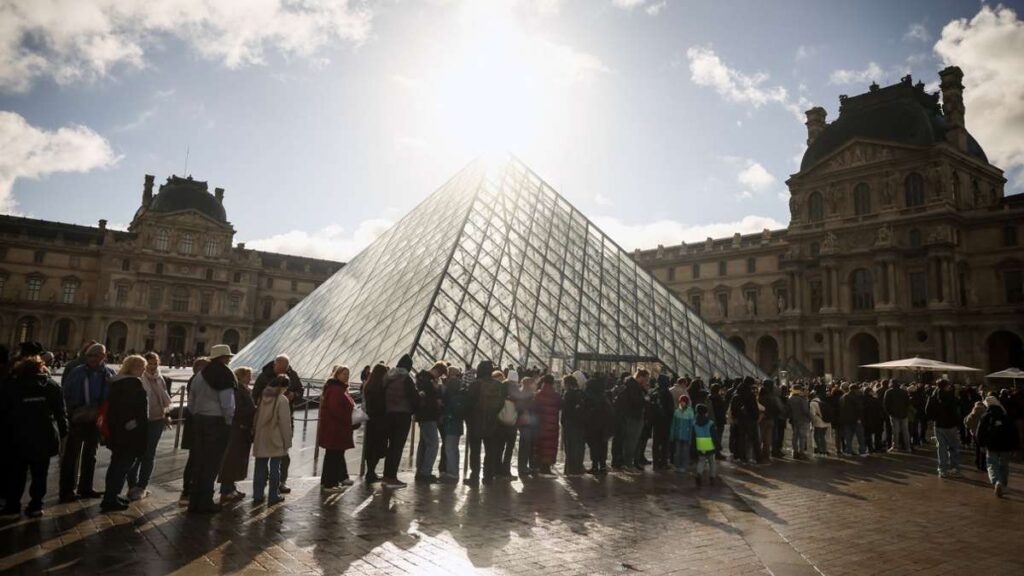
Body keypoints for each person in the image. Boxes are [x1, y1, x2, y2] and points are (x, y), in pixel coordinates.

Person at [1, 355, 67, 517]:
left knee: (16, 473)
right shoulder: (50, 386)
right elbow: (60, 413)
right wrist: (63, 434)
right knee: (40, 473)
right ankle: (36, 505)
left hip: (16, 436)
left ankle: (13, 505)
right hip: (44, 436)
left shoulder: (11, 386)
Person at [59, 343, 114, 503]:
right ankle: (67, 490)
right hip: (78, 417)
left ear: (103, 356)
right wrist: (70, 413)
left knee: (91, 455)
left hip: (97, 419)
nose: (92, 359)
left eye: (96, 355)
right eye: (89, 355)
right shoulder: (77, 372)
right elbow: (66, 393)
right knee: (71, 455)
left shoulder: (109, 373)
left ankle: (86, 487)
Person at [187, 345, 236, 513]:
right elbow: (227, 404)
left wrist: (197, 414)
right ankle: (206, 501)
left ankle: (194, 500)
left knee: (199, 462)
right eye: (228, 357)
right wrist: (229, 422)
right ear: (223, 358)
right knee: (212, 463)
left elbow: (191, 400)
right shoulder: (224, 374)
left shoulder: (199, 375)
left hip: (199, 420)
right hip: (216, 422)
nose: (229, 360)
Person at [100, 355, 149, 512]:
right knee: (123, 466)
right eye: (142, 367)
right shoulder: (133, 385)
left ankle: (111, 495)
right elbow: (137, 412)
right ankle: (110, 499)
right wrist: (135, 425)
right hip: (130, 434)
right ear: (134, 368)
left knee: (116, 464)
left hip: (116, 432)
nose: (143, 371)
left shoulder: (117, 383)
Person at [253, 355, 304, 493]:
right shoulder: (264, 376)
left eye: (285, 369)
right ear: (275, 365)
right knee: (268, 457)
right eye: (280, 369)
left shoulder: (292, 375)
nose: (282, 372)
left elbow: (300, 391)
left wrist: (294, 396)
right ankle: (266, 485)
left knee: (282, 456)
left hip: (284, 416)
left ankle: (281, 481)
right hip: (268, 422)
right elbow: (255, 395)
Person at [126, 352, 171, 501]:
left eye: (155, 363)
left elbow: (163, 398)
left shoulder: (160, 378)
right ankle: (132, 486)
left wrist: (165, 415)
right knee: (136, 454)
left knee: (149, 454)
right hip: (141, 421)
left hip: (157, 419)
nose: (153, 366)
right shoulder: (139, 377)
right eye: (150, 363)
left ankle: (142, 486)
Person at [218, 366, 256, 502]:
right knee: (232, 460)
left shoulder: (243, 389)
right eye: (248, 375)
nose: (250, 378)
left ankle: (231, 488)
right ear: (241, 376)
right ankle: (225, 490)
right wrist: (253, 410)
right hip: (238, 428)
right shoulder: (238, 390)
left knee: (236, 460)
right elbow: (237, 409)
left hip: (243, 429)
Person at [253, 375, 293, 505]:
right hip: (276, 438)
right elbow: (285, 423)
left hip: (261, 436)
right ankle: (273, 495)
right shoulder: (282, 400)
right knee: (275, 468)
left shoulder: (263, 397)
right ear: (283, 387)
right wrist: (287, 441)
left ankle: (258, 494)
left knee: (260, 467)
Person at [381, 354, 419, 488]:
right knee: (397, 447)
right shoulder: (406, 379)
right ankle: (392, 478)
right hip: (402, 416)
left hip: (389, 415)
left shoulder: (388, 378)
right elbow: (414, 399)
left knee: (391, 447)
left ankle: (386, 476)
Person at [464, 360, 504, 486]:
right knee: (490, 451)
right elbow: (501, 404)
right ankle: (488, 477)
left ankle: (474, 477)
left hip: (475, 422)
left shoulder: (475, 385)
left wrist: (468, 417)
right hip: (492, 423)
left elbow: (468, 403)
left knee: (475, 452)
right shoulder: (498, 385)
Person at [318, 366, 356, 491]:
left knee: (332, 456)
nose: (346, 376)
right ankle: (330, 484)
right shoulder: (336, 390)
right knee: (334, 456)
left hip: (335, 428)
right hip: (336, 429)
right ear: (337, 375)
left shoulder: (336, 388)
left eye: (348, 374)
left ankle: (328, 482)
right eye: (344, 374)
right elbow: (335, 410)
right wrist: (350, 419)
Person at [178, 357, 209, 506]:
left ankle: (190, 489)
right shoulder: (197, 381)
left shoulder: (195, 380)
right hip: (196, 425)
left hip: (194, 425)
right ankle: (187, 490)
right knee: (194, 459)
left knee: (195, 458)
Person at [976, 395, 1019, 498]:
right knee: (1004, 465)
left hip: (991, 445)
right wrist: (1014, 446)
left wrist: (981, 444)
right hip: (1005, 445)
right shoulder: (1005, 416)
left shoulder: (986, 416)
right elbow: (1014, 432)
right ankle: (1003, 484)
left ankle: (996, 482)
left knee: (992, 464)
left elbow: (979, 432)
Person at [414, 361, 447, 484]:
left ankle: (420, 471)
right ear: (438, 371)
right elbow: (430, 398)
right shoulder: (429, 381)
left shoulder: (421, 377)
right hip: (429, 416)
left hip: (422, 416)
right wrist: (436, 392)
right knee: (433, 444)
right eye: (440, 375)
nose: (439, 378)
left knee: (423, 444)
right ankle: (425, 472)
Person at [926, 379, 962, 478]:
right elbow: (955, 411)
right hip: (951, 425)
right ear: (946, 386)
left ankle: (942, 469)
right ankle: (954, 467)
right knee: (953, 447)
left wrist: (934, 418)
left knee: (941, 448)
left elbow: (927, 410)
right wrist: (957, 423)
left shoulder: (933, 396)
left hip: (938, 425)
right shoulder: (950, 396)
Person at [616, 369, 649, 473]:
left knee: (631, 441)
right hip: (634, 417)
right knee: (631, 441)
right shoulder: (634, 387)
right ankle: (628, 464)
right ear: (641, 377)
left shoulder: (632, 385)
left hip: (631, 416)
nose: (647, 381)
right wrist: (646, 399)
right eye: (646, 378)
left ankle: (629, 463)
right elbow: (636, 401)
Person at [361, 364, 389, 483]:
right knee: (378, 447)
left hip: (371, 421)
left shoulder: (368, 386)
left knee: (371, 447)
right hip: (380, 421)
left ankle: (370, 471)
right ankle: (371, 472)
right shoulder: (382, 388)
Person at [439, 368, 466, 484]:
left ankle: (452, 474)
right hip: (458, 426)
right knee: (454, 449)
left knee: (450, 449)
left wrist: (446, 415)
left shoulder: (452, 398)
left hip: (451, 426)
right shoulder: (460, 396)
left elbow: (453, 412)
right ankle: (454, 472)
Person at [583, 374, 613, 475]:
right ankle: (603, 466)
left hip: (592, 423)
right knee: (603, 445)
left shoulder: (588, 394)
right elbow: (609, 411)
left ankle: (595, 466)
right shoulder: (603, 395)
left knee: (594, 445)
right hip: (603, 424)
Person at [533, 374, 562, 476]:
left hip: (540, 424)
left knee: (540, 445)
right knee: (550, 446)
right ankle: (546, 467)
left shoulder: (538, 395)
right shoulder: (557, 396)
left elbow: (534, 409)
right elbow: (559, 407)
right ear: (553, 383)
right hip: (552, 425)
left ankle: (538, 466)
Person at [512, 375, 539, 478]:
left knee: (525, 445)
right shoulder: (529, 395)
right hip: (528, 423)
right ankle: (526, 467)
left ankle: (523, 467)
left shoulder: (522, 394)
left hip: (525, 423)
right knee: (528, 445)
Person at [560, 374, 586, 475]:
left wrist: (562, 422)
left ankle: (570, 469)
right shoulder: (582, 394)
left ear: (567, 384)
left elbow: (565, 411)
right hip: (581, 424)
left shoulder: (568, 394)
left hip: (570, 424)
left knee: (570, 447)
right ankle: (578, 467)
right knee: (579, 446)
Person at [650, 375, 675, 470]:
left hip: (656, 421)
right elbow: (670, 409)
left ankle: (655, 463)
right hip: (665, 422)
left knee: (656, 443)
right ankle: (663, 462)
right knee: (664, 443)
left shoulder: (654, 392)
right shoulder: (667, 393)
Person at [692, 404, 717, 487]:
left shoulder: (695, 423)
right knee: (712, 462)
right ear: (706, 413)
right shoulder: (710, 423)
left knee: (701, 461)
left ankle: (699, 474)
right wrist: (716, 444)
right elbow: (714, 435)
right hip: (710, 444)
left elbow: (693, 436)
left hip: (700, 444)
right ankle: (712, 477)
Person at [883, 381, 912, 452]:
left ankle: (895, 446)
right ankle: (908, 447)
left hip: (894, 414)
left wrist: (889, 413)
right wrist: (905, 411)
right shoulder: (904, 392)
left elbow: (886, 404)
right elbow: (908, 403)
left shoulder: (889, 392)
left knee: (895, 431)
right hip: (904, 414)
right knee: (905, 432)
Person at [670, 395, 695, 474]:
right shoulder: (676, 411)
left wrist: (690, 437)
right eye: (680, 401)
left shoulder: (690, 412)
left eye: (683, 402)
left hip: (686, 436)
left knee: (685, 452)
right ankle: (677, 466)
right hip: (678, 435)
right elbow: (673, 424)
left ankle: (683, 466)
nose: (681, 403)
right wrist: (672, 435)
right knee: (677, 452)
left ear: (686, 403)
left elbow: (691, 426)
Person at [788, 384, 811, 460]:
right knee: (802, 437)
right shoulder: (802, 399)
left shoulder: (790, 399)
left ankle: (795, 452)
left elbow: (789, 410)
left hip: (794, 420)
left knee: (795, 437)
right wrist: (809, 417)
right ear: (800, 390)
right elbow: (805, 410)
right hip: (803, 420)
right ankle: (802, 453)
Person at [964, 400, 987, 472]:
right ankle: (983, 464)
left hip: (974, 433)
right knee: (983, 449)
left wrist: (971, 428)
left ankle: (977, 462)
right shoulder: (985, 412)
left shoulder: (972, 413)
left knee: (977, 448)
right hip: (983, 433)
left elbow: (966, 422)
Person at [863, 386, 886, 453]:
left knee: (868, 435)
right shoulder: (875, 400)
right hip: (877, 419)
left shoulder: (863, 400)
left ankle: (870, 448)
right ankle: (878, 447)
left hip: (868, 420)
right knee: (877, 435)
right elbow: (881, 409)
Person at [809, 392, 830, 456]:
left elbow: (813, 414)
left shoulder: (812, 403)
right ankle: (824, 450)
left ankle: (821, 450)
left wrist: (812, 423)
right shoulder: (822, 402)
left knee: (817, 436)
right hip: (826, 422)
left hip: (818, 422)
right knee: (822, 436)